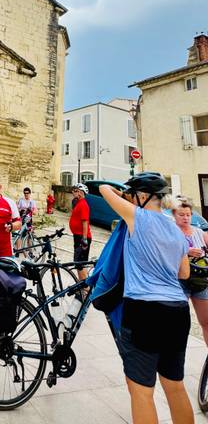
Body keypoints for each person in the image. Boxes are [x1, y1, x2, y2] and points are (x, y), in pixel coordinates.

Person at [100, 173, 193, 424]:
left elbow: (104, 189)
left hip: (144, 310)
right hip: (177, 311)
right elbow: (183, 272)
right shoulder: (175, 230)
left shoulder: (136, 217)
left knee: (141, 391)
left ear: (142, 196)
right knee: (175, 387)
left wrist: (123, 196)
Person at [172, 195, 208, 345]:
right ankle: (174, 358)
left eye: (188, 215)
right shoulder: (170, 231)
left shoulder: (199, 232)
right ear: (174, 214)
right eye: (181, 215)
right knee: (177, 323)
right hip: (179, 281)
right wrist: (186, 251)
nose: (185, 218)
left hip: (200, 280)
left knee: (206, 322)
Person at [70, 183, 92, 281]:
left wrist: (84, 239)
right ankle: (81, 287)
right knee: (78, 263)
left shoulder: (83, 204)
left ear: (80, 192)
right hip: (77, 236)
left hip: (82, 237)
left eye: (75, 190)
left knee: (80, 264)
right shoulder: (78, 203)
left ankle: (85, 289)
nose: (72, 192)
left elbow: (85, 222)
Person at [15, 187, 37, 254]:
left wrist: (32, 210)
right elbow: (17, 209)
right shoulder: (21, 200)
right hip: (21, 219)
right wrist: (21, 209)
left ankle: (29, 250)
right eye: (25, 193)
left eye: (27, 193)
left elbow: (35, 212)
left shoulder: (32, 202)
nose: (26, 194)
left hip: (29, 220)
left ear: (30, 193)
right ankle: (19, 249)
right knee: (19, 233)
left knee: (29, 235)